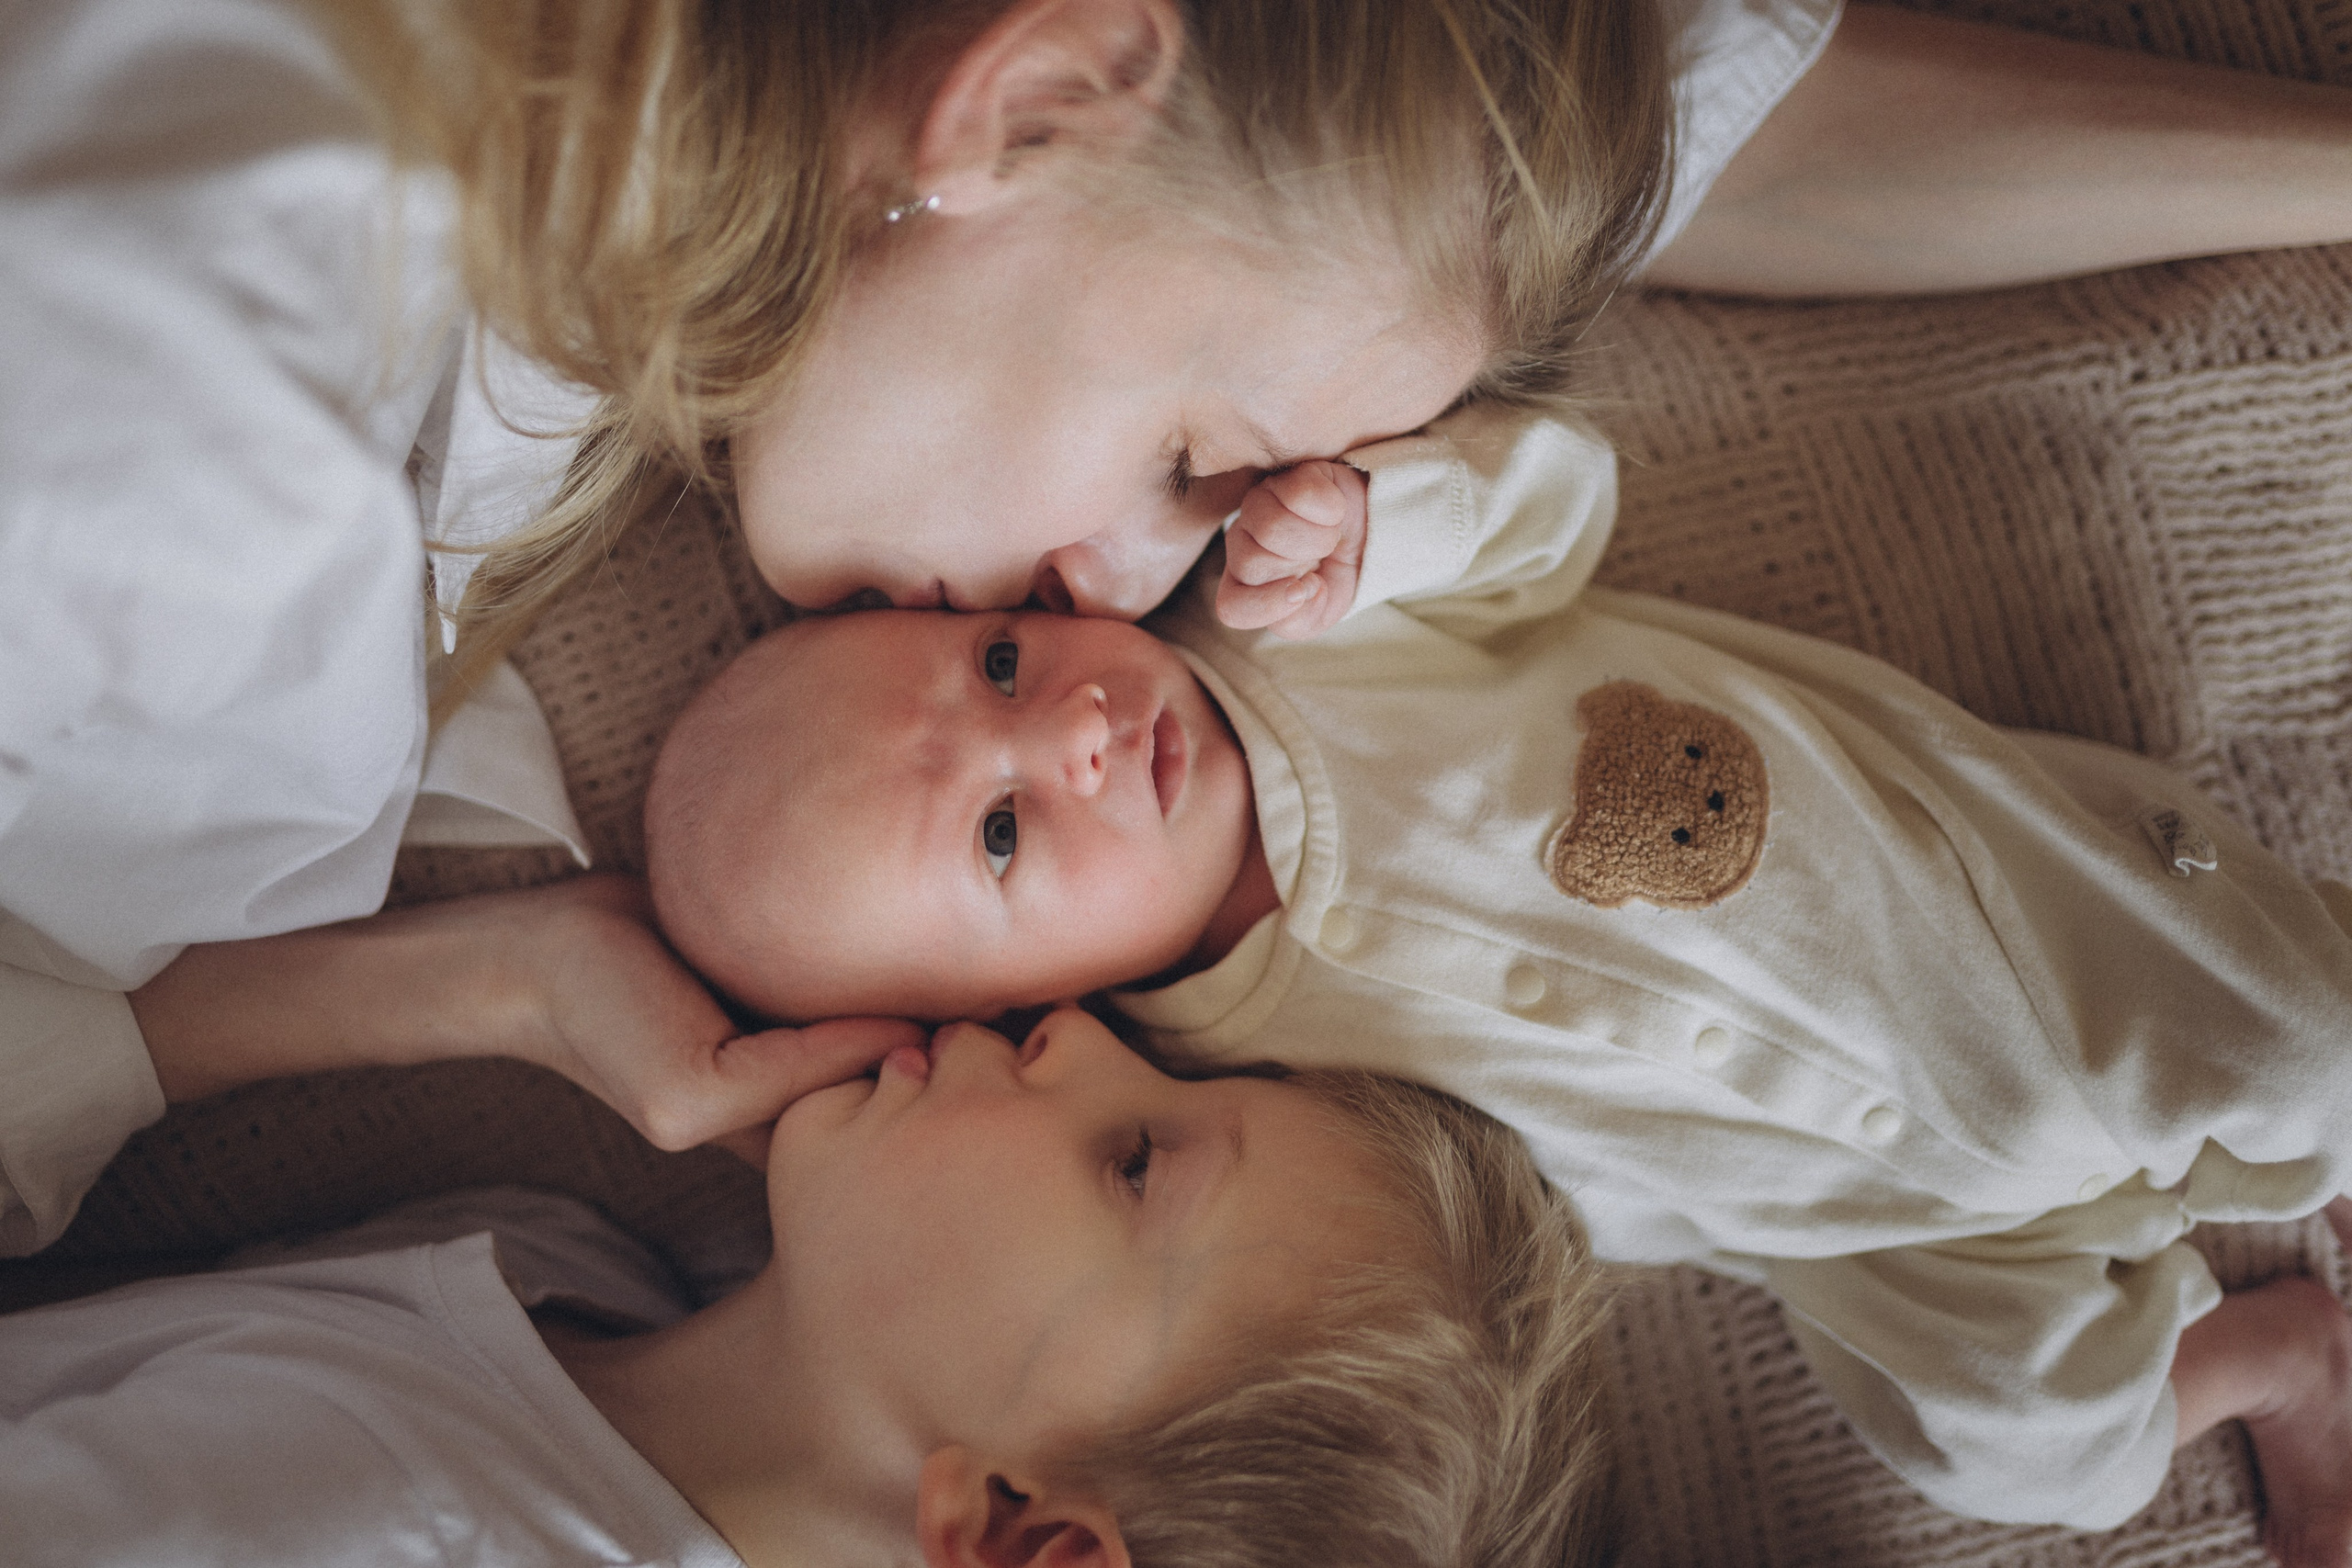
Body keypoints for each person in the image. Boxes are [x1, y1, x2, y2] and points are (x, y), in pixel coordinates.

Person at [9, 0, 2349, 1250]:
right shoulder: (193, 480)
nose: (1144, 590)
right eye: (1191, 452)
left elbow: (1585, 105)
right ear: (1027, 99)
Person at [641, 403, 2352, 1555]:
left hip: (1995, 924)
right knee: (2029, 1455)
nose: (1071, 729)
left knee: (2298, 1047)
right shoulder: (1217, 1117)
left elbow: (1557, 514)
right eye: (1004, 839)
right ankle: (2281, 1359)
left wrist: (1394, 520)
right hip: (1868, 1228)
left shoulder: (1290, 624)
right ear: (989, 1020)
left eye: (996, 665)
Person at [0, 1002, 1616, 1568]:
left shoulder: (386, 1531)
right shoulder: (576, 1269)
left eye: (1137, 1160)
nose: (1079, 1032)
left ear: (1019, 1535)